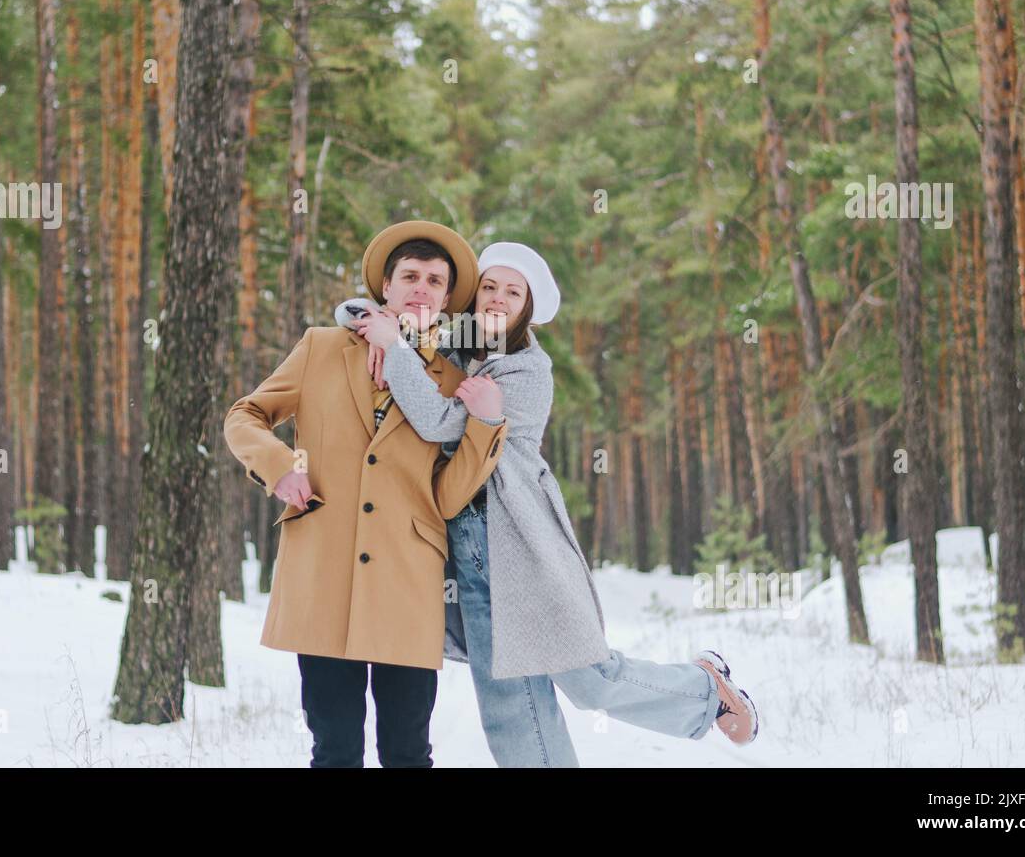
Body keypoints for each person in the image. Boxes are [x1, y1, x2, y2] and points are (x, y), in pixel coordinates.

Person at [336, 241, 759, 767]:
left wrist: (394, 350)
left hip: (521, 542)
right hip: (464, 553)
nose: (497, 299)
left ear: (526, 309)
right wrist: (366, 321)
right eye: (489, 287)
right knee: (511, 709)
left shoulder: (527, 370)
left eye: (513, 293)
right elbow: (381, 313)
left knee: (590, 679)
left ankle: (703, 689)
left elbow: (442, 423)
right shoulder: (454, 351)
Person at [223, 220, 509, 767]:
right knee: (334, 750)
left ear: (447, 299)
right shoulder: (322, 348)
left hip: (409, 581)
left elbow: (447, 498)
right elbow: (246, 415)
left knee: (407, 752)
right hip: (323, 573)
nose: (421, 288)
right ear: (386, 287)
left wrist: (486, 426)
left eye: (434, 280)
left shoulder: (452, 381)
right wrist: (280, 466)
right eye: (410, 276)